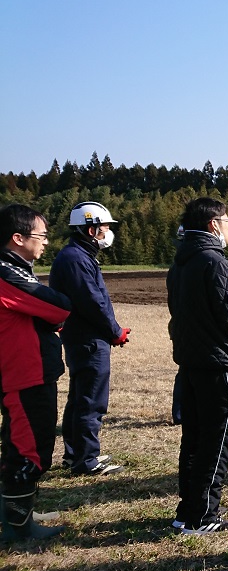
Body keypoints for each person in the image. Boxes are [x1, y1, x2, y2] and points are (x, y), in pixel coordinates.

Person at [166, 197, 228, 534]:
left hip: (190, 363)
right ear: (214, 224)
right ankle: (204, 514)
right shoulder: (215, 263)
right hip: (217, 365)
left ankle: (188, 508)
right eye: (227, 222)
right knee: (217, 439)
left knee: (194, 439)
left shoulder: (180, 262)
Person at [0, 205, 71, 541]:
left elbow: (49, 311)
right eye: (41, 236)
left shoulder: (16, 269)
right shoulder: (6, 273)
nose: (45, 243)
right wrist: (50, 315)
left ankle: (19, 514)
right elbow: (58, 306)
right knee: (27, 452)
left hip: (32, 373)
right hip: (22, 377)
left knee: (29, 446)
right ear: (18, 238)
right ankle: (18, 528)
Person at [48, 201, 127, 476]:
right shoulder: (76, 259)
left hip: (83, 337)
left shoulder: (77, 255)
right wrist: (114, 331)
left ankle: (75, 454)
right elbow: (92, 302)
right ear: (91, 229)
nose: (107, 231)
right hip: (88, 340)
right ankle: (86, 460)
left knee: (80, 397)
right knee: (91, 400)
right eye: (104, 226)